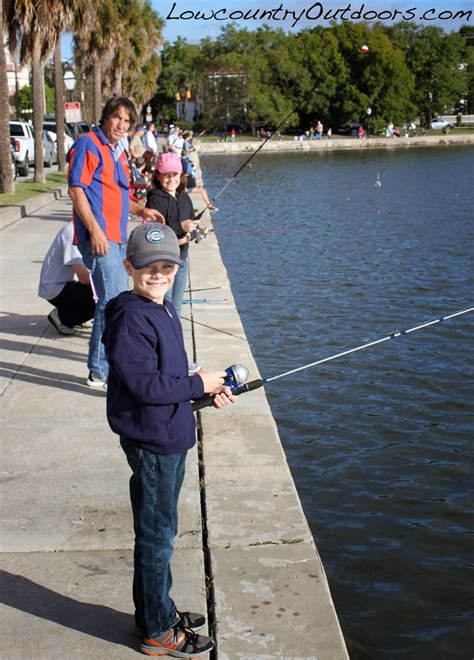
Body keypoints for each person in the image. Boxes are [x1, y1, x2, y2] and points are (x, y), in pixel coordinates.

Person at [102, 222, 235, 657]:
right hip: (154, 444)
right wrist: (195, 385)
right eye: (148, 267)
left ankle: (155, 610)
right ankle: (158, 630)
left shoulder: (160, 308)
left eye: (167, 266)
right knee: (157, 536)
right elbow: (147, 387)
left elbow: (170, 376)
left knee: (161, 531)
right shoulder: (130, 319)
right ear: (129, 267)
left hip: (167, 434)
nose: (158, 274)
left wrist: (204, 389)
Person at [68, 96, 164, 388]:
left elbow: (119, 195)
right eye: (117, 118)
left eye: (127, 121)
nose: (121, 125)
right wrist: (95, 231)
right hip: (100, 238)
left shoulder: (117, 152)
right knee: (110, 302)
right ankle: (99, 370)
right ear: (105, 117)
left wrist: (141, 209)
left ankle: (112, 363)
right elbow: (76, 189)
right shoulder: (89, 144)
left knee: (120, 300)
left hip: (118, 237)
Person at [145, 152, 198, 317]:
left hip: (181, 259)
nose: (170, 179)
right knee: (163, 304)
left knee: (177, 307)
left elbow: (193, 228)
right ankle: (161, 339)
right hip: (163, 262)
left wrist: (189, 236)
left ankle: (173, 339)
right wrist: (180, 227)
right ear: (158, 177)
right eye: (165, 175)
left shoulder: (184, 198)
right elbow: (155, 233)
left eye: (174, 174)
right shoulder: (155, 199)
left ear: (181, 175)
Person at [38, 221, 95, 335]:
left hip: (66, 283)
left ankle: (74, 315)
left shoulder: (81, 228)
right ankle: (62, 317)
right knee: (100, 295)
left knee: (99, 290)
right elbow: (83, 278)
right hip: (55, 288)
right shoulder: (73, 232)